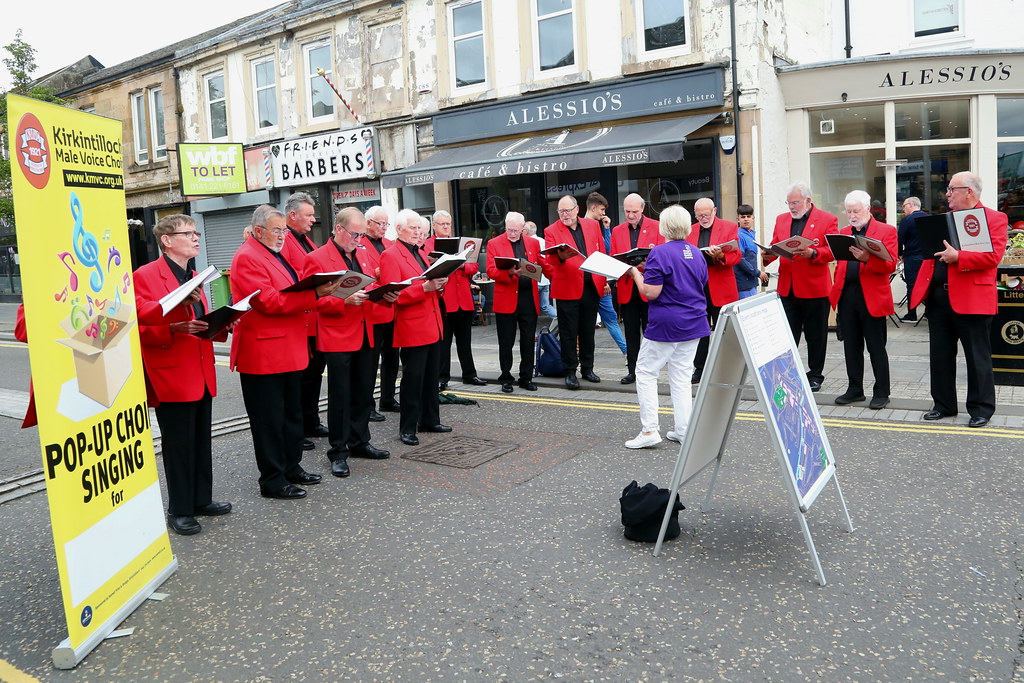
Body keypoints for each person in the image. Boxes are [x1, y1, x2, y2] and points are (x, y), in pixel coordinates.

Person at [230, 205, 340, 499]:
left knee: (292, 414)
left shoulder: (271, 253)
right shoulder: (247, 257)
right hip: (264, 353)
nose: (282, 236)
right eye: (277, 231)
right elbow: (268, 302)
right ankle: (272, 479)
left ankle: (291, 467)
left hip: (288, 347)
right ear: (258, 231)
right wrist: (314, 293)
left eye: (284, 231)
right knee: (269, 421)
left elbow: (287, 293)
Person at [134, 215, 231, 535]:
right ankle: (179, 509)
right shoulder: (145, 276)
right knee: (178, 444)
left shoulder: (196, 275)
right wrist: (173, 327)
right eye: (188, 233)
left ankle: (201, 500)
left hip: (201, 367)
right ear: (166, 240)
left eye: (196, 232)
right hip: (172, 372)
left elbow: (200, 320)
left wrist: (223, 323)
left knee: (201, 439)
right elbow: (135, 324)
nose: (196, 238)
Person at [910, 172, 1008, 427]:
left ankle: (981, 409)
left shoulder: (994, 218)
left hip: (972, 299)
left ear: (970, 192)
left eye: (953, 189)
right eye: (949, 189)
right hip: (939, 298)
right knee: (940, 355)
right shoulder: (945, 219)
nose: (948, 193)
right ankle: (943, 405)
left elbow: (993, 257)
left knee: (977, 357)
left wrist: (959, 257)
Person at [303, 208, 393, 479]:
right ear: (339, 229)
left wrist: (384, 293)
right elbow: (310, 301)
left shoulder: (363, 252)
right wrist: (343, 301)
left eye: (362, 235)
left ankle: (359, 441)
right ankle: (338, 451)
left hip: (366, 330)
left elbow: (369, 284)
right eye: (355, 234)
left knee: (364, 391)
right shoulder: (316, 258)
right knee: (341, 396)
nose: (359, 239)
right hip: (338, 334)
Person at [623, 205, 710, 449]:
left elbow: (651, 292)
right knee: (681, 376)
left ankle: (650, 429)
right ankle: (684, 429)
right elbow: (700, 282)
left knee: (645, 371)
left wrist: (634, 273)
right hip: (695, 322)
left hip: (667, 323)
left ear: (664, 227)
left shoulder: (659, 253)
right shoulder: (696, 252)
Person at [379, 209, 451, 445]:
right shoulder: (390, 255)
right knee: (413, 379)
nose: (418, 232)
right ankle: (407, 427)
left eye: (420, 228)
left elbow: (428, 288)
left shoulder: (421, 253)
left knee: (431, 377)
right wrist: (426, 288)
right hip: (412, 327)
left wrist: (439, 285)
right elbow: (395, 295)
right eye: (413, 228)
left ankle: (430, 419)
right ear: (399, 229)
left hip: (431, 323)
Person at [762, 182, 838, 392]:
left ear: (808, 201)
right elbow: (776, 244)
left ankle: (815, 375)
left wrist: (814, 254)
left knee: (816, 335)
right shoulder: (782, 219)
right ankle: (787, 372)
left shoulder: (827, 219)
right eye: (789, 203)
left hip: (815, 288)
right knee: (786, 334)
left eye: (795, 203)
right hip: (788, 287)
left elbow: (832, 251)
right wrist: (768, 255)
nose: (791, 207)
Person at [828, 191, 898, 410]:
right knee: (851, 346)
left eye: (856, 211)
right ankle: (855, 389)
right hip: (847, 294)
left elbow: (890, 265)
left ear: (867, 209)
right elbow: (840, 262)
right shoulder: (844, 232)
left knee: (876, 347)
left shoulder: (886, 231)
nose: (852, 215)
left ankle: (882, 392)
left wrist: (867, 258)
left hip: (872, 295)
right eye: (848, 211)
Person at [542, 195, 608, 389]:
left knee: (588, 331)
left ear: (577, 209)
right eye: (561, 211)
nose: (564, 215)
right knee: (568, 333)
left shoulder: (592, 225)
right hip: (567, 288)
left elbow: (601, 253)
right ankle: (570, 371)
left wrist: (603, 280)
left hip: (591, 286)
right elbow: (549, 261)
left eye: (568, 210)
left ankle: (588, 368)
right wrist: (560, 258)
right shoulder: (551, 231)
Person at [279, 192, 326, 448]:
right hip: (301, 317)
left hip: (314, 316)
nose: (313, 219)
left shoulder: (307, 240)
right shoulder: (284, 240)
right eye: (308, 215)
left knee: (315, 374)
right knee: (302, 377)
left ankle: (311, 420)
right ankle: (300, 429)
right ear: (293, 215)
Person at [486, 211, 550, 393]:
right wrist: (509, 274)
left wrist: (557, 273)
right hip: (506, 297)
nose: (512, 233)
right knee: (505, 341)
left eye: (516, 230)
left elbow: (542, 265)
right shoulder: (494, 243)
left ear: (523, 229)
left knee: (528, 340)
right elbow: (490, 270)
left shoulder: (533, 242)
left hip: (528, 298)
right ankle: (506, 377)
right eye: (509, 230)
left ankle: (526, 377)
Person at [425, 210, 485, 389]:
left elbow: (474, 265)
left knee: (465, 341)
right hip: (444, 299)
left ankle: (470, 374)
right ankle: (442, 377)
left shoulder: (461, 243)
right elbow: (429, 267)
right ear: (434, 225)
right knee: (444, 343)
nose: (445, 227)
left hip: (463, 299)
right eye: (442, 224)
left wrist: (460, 265)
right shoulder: (428, 244)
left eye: (448, 224)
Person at [610, 193, 663, 384]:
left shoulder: (656, 226)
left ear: (642, 209)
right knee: (631, 333)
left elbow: (662, 256)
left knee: (650, 333)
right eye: (627, 211)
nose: (630, 215)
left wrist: (644, 265)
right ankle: (633, 370)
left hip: (649, 287)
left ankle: (651, 371)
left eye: (634, 211)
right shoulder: (617, 230)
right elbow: (614, 257)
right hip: (627, 287)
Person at [687, 197, 741, 383]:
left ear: (715, 211)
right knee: (699, 331)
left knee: (724, 332)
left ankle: (723, 370)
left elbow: (736, 257)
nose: (703, 218)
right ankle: (699, 369)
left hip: (721, 287)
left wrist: (721, 255)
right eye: (699, 215)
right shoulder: (690, 230)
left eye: (706, 214)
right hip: (697, 288)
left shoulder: (729, 227)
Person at [363, 205, 400, 417]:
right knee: (370, 361)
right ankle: (368, 406)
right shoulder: (360, 244)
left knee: (392, 357)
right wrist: (378, 272)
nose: (384, 228)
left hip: (391, 306)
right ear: (368, 223)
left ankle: (388, 398)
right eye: (380, 224)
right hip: (373, 309)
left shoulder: (388, 244)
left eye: (386, 224)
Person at [584, 192, 628, 356]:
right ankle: (626, 352)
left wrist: (607, 228)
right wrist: (603, 282)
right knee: (608, 320)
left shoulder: (595, 226)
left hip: (599, 281)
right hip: (594, 282)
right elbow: (596, 256)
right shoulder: (585, 226)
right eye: (602, 210)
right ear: (593, 207)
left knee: (609, 319)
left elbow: (607, 251)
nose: (604, 213)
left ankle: (626, 351)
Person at [898, 197, 926, 322]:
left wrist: (900, 254)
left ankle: (912, 314)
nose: (903, 209)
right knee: (927, 285)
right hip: (927, 258)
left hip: (912, 257)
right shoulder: (928, 218)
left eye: (904, 206)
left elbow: (899, 240)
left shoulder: (907, 220)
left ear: (910, 205)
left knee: (912, 286)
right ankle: (928, 313)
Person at [525, 221, 557, 317]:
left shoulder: (528, 243)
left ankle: (530, 327)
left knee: (530, 306)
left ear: (526, 231)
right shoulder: (543, 241)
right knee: (546, 306)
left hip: (535, 279)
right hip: (545, 280)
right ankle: (561, 320)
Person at [734, 204, 763, 299]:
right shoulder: (739, 235)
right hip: (744, 284)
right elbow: (740, 259)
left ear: (753, 218)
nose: (746, 219)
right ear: (738, 219)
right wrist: (758, 273)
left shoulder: (751, 234)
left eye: (748, 216)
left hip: (750, 281)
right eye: (743, 217)